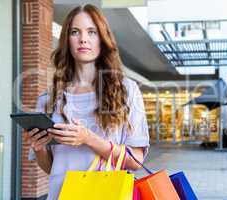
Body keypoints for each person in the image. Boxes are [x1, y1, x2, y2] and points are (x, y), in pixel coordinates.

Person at [26, 4, 149, 200]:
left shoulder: (127, 91)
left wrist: (89, 139)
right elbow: (51, 167)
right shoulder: (48, 99)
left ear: (102, 39)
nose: (83, 38)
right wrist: (39, 147)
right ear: (67, 40)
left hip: (109, 195)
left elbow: (136, 161)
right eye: (75, 32)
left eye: (91, 32)